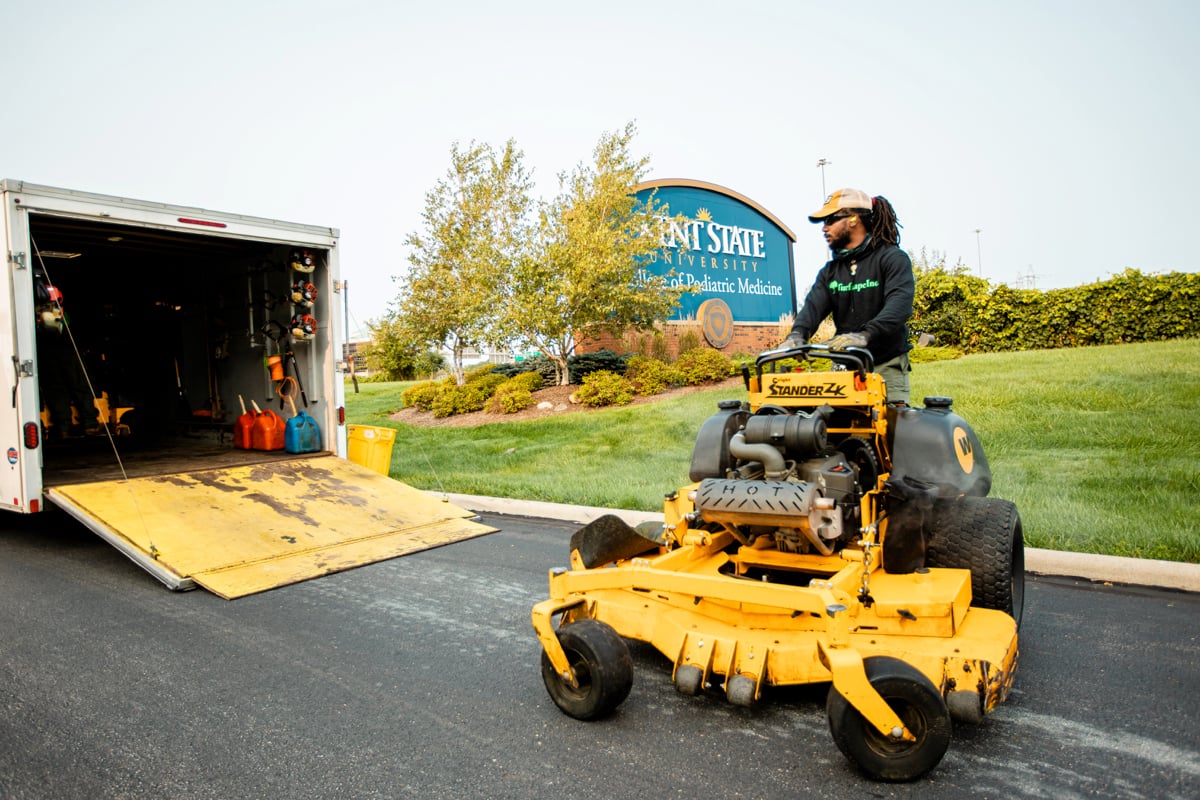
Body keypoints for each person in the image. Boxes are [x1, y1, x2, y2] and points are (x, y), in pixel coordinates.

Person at [784, 188, 914, 404]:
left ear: (853, 219)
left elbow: (899, 306)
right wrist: (797, 335)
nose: (824, 228)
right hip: (844, 364)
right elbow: (812, 309)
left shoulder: (892, 259)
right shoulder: (830, 271)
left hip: (885, 363)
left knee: (891, 428)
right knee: (835, 430)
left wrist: (866, 335)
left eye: (830, 220)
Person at [36, 297, 100, 439]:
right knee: (79, 387)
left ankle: (64, 427)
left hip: (51, 353)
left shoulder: (37, 309)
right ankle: (89, 424)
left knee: (58, 391)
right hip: (68, 352)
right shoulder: (61, 312)